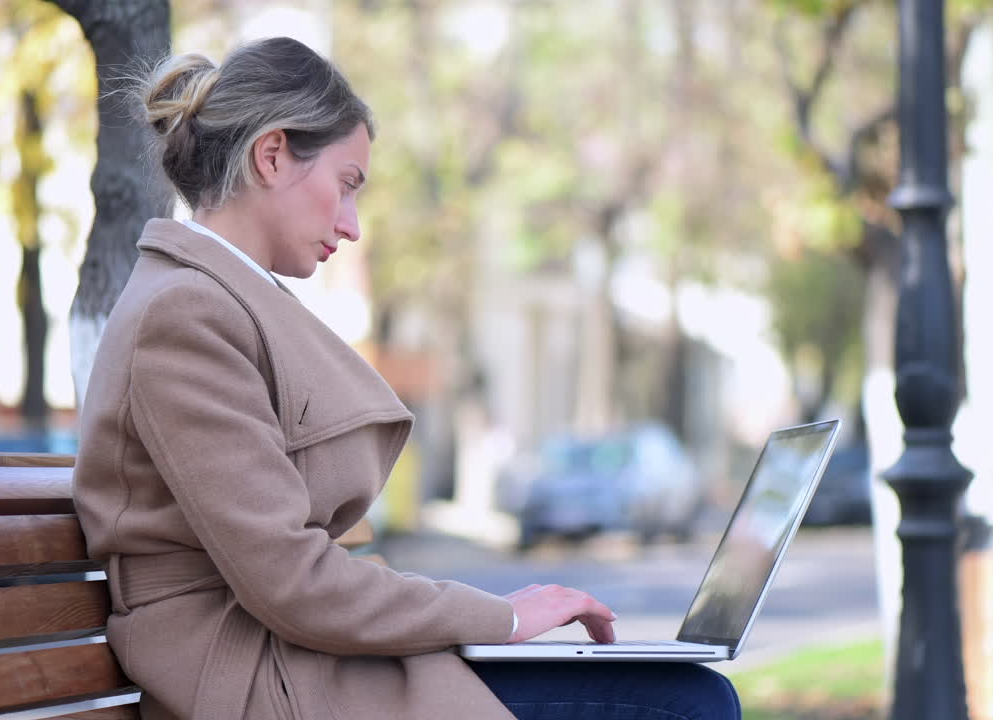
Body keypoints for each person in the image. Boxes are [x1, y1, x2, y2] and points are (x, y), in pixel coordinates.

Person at [72, 36, 741, 720]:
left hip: (289, 651)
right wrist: (502, 617)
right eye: (346, 185)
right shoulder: (185, 315)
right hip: (252, 672)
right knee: (684, 704)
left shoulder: (218, 300)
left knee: (687, 694)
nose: (352, 225)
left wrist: (497, 621)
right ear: (272, 156)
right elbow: (292, 582)